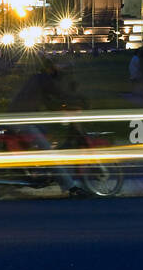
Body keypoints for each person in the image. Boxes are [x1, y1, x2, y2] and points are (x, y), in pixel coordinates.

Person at [8, 59, 87, 197]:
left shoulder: (38, 79)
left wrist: (64, 107)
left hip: (23, 118)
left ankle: (42, 169)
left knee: (50, 135)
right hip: (22, 121)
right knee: (49, 152)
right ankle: (71, 187)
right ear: (50, 68)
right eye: (57, 66)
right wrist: (78, 100)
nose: (59, 70)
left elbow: (50, 101)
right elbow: (59, 94)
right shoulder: (44, 79)